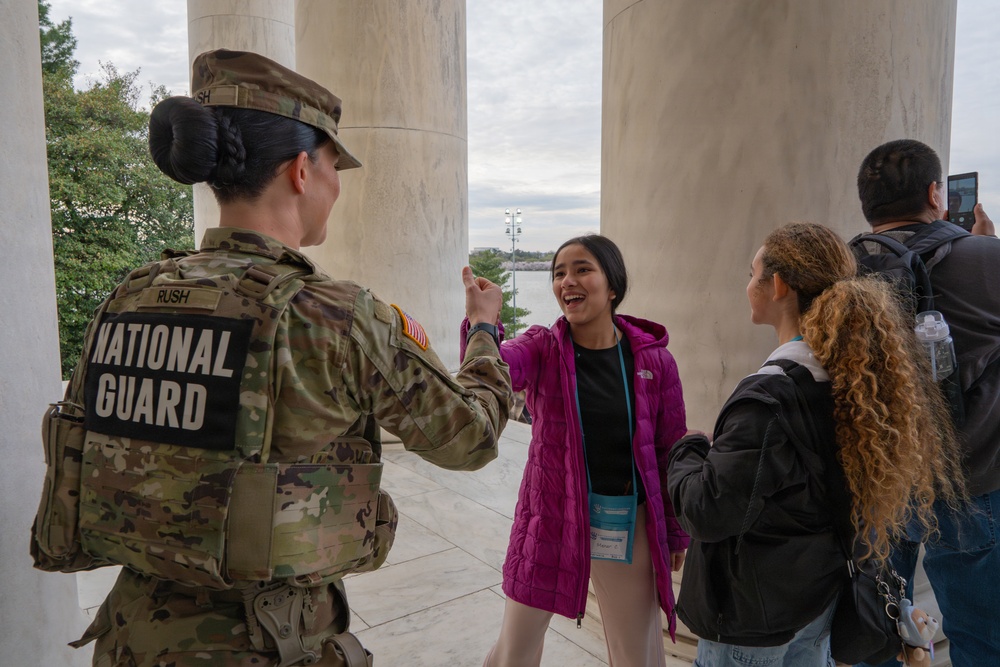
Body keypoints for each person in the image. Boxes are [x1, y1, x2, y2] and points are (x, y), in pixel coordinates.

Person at [30, 49, 513, 667]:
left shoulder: (131, 294)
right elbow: (469, 439)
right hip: (271, 644)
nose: (338, 185)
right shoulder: (335, 314)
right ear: (302, 170)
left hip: (131, 638)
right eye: (336, 165)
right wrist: (482, 334)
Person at [667, 222, 965, 667]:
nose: (748, 285)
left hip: (756, 618)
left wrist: (688, 450)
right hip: (818, 601)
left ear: (779, 285)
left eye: (753, 273)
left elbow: (709, 510)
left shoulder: (768, 397)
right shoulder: (857, 382)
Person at [460, 235, 690, 667]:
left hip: (627, 519)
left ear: (613, 285)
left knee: (636, 651)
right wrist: (482, 324)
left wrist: (675, 530)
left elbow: (669, 451)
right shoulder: (542, 347)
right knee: (516, 649)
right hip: (550, 515)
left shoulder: (654, 362)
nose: (568, 280)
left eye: (582, 269)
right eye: (559, 272)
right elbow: (493, 373)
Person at [854, 139, 1000, 667]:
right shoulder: (987, 260)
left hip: (876, 484)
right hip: (971, 483)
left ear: (866, 206)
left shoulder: (844, 275)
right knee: (981, 641)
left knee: (870, 627)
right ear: (937, 193)